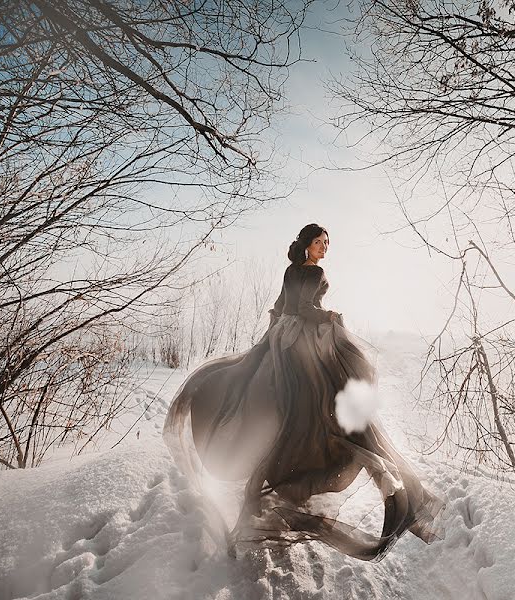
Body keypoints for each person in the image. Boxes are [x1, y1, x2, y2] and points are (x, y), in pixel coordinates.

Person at [163, 223, 444, 561]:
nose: (324, 247)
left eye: (327, 242)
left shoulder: (290, 270)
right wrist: (329, 315)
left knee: (286, 386)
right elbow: (303, 310)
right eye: (318, 242)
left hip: (282, 335)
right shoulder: (315, 273)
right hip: (299, 338)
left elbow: (281, 307)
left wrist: (272, 336)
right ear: (306, 245)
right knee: (328, 389)